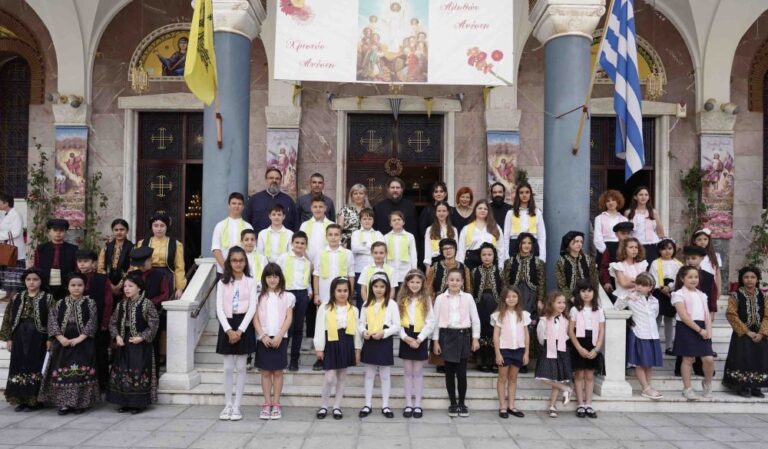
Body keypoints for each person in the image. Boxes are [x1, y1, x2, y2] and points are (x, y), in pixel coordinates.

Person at [38, 273, 100, 415]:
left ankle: (80, 403)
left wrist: (80, 338)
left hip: (83, 343)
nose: (76, 288)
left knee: (81, 373)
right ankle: (64, 404)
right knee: (64, 373)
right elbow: (52, 321)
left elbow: (92, 321)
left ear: (85, 286)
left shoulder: (90, 303)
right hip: (62, 344)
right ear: (67, 287)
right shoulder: (59, 303)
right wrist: (60, 338)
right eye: (73, 285)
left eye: (80, 285)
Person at [106, 272, 159, 414]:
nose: (126, 289)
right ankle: (125, 402)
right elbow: (112, 323)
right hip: (124, 342)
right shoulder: (121, 305)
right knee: (123, 370)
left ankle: (139, 403)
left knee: (138, 369)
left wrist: (142, 337)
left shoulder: (147, 304)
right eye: (125, 286)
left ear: (139, 288)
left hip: (140, 344)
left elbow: (154, 324)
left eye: (130, 286)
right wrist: (117, 336)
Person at [215, 247, 258, 421]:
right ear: (229, 262)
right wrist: (228, 330)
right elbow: (219, 308)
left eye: (241, 260)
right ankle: (227, 404)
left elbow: (252, 307)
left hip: (243, 324)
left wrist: (240, 330)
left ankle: (237, 405)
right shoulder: (222, 282)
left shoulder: (251, 281)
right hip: (227, 323)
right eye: (234, 260)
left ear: (245, 262)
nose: (238, 263)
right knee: (227, 367)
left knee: (241, 367)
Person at [0, 268, 52, 411]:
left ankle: (34, 401)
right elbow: (8, 318)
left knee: (34, 365)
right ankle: (21, 399)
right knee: (19, 365)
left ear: (41, 281)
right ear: (24, 281)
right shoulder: (17, 297)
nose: (31, 282)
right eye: (28, 279)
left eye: (35, 279)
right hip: (19, 336)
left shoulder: (47, 298)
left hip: (38, 336)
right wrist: (9, 338)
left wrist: (50, 338)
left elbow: (52, 320)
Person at [432, 268, 481, 418]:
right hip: (446, 336)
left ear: (462, 282)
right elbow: (435, 321)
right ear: (447, 281)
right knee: (449, 372)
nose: (454, 282)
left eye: (457, 280)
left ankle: (462, 403)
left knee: (461, 373)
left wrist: (475, 338)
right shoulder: (440, 298)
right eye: (452, 280)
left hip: (463, 335)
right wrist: (435, 341)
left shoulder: (468, 298)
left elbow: (475, 319)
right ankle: (453, 403)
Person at [314, 277, 362, 420]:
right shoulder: (325, 307)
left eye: (345, 290)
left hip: (346, 342)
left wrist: (357, 350)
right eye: (339, 290)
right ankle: (324, 405)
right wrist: (319, 347)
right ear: (333, 292)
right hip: (331, 342)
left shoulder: (353, 310)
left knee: (342, 377)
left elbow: (357, 332)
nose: (342, 293)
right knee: (329, 378)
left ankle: (337, 406)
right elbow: (319, 328)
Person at [253, 263, 295, 420]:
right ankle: (267, 403)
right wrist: (263, 336)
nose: (272, 279)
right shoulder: (258, 296)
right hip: (263, 338)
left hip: (280, 338)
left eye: (275, 276)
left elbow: (289, 318)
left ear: (280, 278)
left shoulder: (287, 296)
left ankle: (276, 403)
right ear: (264, 278)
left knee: (278, 372)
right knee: (265, 372)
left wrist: (279, 336)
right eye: (269, 276)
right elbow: (255, 318)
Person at [311, 224, 355, 370]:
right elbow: (316, 274)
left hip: (342, 295)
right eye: (330, 234)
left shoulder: (347, 253)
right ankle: (320, 356)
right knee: (322, 326)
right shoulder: (320, 253)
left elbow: (351, 275)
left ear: (341, 236)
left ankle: (339, 356)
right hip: (325, 294)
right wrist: (316, 293)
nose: (334, 237)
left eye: (336, 234)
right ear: (326, 236)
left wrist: (350, 294)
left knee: (339, 324)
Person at [614, 273, 664, 400]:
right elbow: (617, 307)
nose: (639, 287)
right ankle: (646, 388)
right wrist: (626, 296)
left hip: (652, 335)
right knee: (639, 363)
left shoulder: (655, 301)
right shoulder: (631, 298)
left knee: (649, 363)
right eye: (638, 284)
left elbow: (654, 315)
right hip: (639, 333)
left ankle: (647, 387)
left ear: (650, 287)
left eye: (643, 285)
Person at [358, 273, 401, 419]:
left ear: (387, 288)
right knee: (369, 374)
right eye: (375, 286)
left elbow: (397, 325)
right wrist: (363, 331)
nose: (378, 289)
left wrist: (384, 333)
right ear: (371, 287)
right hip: (370, 339)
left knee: (385, 375)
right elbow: (361, 323)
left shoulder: (392, 304)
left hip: (384, 340)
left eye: (382, 286)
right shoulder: (366, 303)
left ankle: (385, 405)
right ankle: (367, 404)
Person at [502, 233, 545, 373]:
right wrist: (505, 299)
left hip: (531, 298)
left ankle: (524, 361)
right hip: (513, 298)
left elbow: (541, 283)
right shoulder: (510, 262)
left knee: (528, 327)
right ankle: (512, 358)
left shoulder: (538, 262)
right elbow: (505, 283)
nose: (526, 246)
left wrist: (540, 299)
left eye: (529, 243)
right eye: (524, 243)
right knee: (513, 325)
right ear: (519, 244)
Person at [722, 266, 768, 397]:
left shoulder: (763, 295)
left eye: (753, 277)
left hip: (760, 334)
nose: (749, 280)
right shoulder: (735, 295)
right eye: (746, 277)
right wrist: (747, 332)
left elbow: (767, 315)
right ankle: (743, 386)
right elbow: (731, 314)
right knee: (743, 359)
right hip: (742, 334)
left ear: (757, 279)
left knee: (759, 359)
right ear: (741, 279)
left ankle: (756, 386)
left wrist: (762, 333)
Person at [672, 266, 715, 401]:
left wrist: (708, 330)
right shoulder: (678, 294)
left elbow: (707, 314)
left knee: (708, 359)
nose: (693, 279)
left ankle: (707, 383)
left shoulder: (702, 295)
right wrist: (699, 330)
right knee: (688, 359)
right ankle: (687, 388)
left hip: (703, 327)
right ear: (682, 278)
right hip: (686, 327)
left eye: (696, 277)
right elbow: (683, 316)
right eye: (690, 277)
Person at [397, 269, 435, 419]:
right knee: (407, 372)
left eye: (418, 282)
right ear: (407, 283)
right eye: (412, 282)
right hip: (406, 335)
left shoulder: (426, 299)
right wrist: (405, 337)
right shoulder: (401, 299)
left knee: (418, 372)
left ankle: (417, 404)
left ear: (422, 283)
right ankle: (408, 404)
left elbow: (430, 322)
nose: (414, 285)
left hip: (420, 335)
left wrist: (419, 339)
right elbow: (397, 321)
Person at [76, 249, 114, 393]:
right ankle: (82, 383)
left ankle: (102, 384)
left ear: (94, 264)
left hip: (99, 323)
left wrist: (105, 323)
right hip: (78, 324)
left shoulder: (102, 279)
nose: (82, 264)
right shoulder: (73, 279)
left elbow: (108, 302)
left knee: (100, 353)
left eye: (86, 261)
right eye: (80, 261)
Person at [567, 280, 605, 417]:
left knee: (589, 375)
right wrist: (579, 348)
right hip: (579, 343)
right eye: (583, 291)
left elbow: (601, 331)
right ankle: (580, 404)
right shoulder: (575, 309)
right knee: (579, 375)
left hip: (593, 344)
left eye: (589, 291)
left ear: (594, 293)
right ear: (578, 293)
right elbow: (570, 331)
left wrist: (596, 349)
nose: (586, 294)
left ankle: (588, 404)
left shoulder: (599, 310)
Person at [491, 286, 530, 419]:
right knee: (502, 378)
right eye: (508, 297)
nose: (511, 299)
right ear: (504, 299)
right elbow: (496, 336)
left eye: (514, 296)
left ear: (518, 298)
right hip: (504, 350)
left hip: (519, 350)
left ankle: (511, 406)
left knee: (513, 378)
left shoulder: (523, 315)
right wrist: (498, 353)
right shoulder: (499, 315)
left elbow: (526, 335)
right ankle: (502, 406)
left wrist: (526, 353)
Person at [277, 232, 312, 372]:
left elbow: (307, 279)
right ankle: (281, 358)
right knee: (285, 328)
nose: (299, 245)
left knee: (298, 328)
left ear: (306, 245)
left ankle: (294, 360)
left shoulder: (307, 262)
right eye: (297, 242)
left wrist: (309, 292)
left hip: (302, 294)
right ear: (292, 243)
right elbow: (277, 275)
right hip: (287, 293)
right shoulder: (283, 258)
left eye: (302, 243)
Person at [535, 291, 573, 418]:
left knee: (557, 377)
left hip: (561, 349)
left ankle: (552, 406)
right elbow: (540, 337)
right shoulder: (543, 320)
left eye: (563, 302)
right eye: (559, 302)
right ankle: (565, 388)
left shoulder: (566, 320)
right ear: (551, 304)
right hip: (548, 348)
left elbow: (568, 334)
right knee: (542, 376)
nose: (562, 305)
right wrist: (549, 345)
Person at [136, 213, 186, 299]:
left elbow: (179, 267)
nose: (159, 229)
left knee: (165, 302)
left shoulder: (176, 244)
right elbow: (137, 264)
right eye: (156, 225)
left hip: (167, 277)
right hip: (148, 275)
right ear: (151, 227)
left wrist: (180, 288)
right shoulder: (143, 243)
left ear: (167, 227)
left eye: (162, 226)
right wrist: (135, 281)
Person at [471, 243, 503, 372]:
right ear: (480, 256)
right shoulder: (475, 271)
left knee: (494, 330)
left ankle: (495, 361)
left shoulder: (500, 271)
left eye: (489, 254)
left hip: (496, 305)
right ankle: (482, 361)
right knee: (482, 330)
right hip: (480, 305)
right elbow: (471, 289)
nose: (487, 257)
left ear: (494, 256)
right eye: (484, 255)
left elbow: (504, 289)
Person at [649, 238, 682, 355]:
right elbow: (653, 277)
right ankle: (654, 345)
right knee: (657, 318)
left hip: (672, 292)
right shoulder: (655, 263)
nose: (667, 251)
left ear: (674, 249)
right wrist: (662, 288)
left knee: (669, 319)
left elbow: (679, 278)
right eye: (663, 249)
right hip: (658, 291)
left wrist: (670, 288)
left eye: (670, 248)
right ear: (659, 250)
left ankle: (669, 346)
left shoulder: (678, 264)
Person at [33, 218, 78, 300]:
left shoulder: (73, 249)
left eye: (61, 230)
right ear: (49, 232)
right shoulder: (41, 248)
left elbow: (76, 268)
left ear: (65, 232)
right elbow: (36, 267)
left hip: (66, 284)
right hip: (45, 283)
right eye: (55, 230)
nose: (58, 233)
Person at [245, 168, 298, 233]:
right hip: (259, 238)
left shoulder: (288, 201)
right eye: (271, 178)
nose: (274, 180)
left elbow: (295, 223)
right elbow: (246, 221)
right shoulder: (254, 200)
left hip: (283, 238)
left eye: (277, 178)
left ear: (281, 181)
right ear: (266, 179)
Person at [503, 182, 546, 261]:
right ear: (518, 195)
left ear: (530, 194)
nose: (524, 195)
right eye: (521, 192)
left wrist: (542, 257)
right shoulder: (510, 213)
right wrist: (506, 256)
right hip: (515, 244)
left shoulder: (537, 212)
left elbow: (542, 236)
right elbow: (506, 236)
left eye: (527, 192)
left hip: (532, 245)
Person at [211, 193, 253, 273]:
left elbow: (251, 249)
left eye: (239, 204)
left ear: (243, 207)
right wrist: (226, 268)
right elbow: (216, 249)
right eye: (234, 203)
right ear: (229, 205)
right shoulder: (220, 226)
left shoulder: (248, 227)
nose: (237, 206)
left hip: (243, 271)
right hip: (223, 271)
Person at [457, 200, 504, 270]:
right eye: (480, 208)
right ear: (475, 210)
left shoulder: (495, 227)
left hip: (491, 265)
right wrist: (460, 268)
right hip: (471, 265)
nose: (483, 210)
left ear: (488, 212)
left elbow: (501, 249)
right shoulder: (466, 229)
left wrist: (500, 268)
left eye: (485, 209)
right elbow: (461, 251)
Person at [351, 208, 385, 302]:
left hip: (376, 269)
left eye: (370, 219)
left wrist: (364, 247)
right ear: (360, 220)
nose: (367, 221)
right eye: (364, 219)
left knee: (376, 296)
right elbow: (355, 249)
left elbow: (382, 249)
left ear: (373, 220)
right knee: (361, 297)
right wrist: (373, 249)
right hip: (359, 269)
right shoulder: (356, 233)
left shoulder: (378, 234)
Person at [554, 231, 599, 302]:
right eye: (576, 241)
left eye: (581, 242)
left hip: (587, 297)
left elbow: (594, 280)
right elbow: (561, 284)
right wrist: (572, 298)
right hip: (569, 299)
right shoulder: (561, 262)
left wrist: (592, 297)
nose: (579, 244)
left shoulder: (588, 259)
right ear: (568, 243)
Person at [625, 186, 664, 265]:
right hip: (636, 247)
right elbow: (625, 233)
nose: (643, 197)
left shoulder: (653, 212)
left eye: (646, 195)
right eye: (641, 195)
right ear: (635, 197)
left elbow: (660, 232)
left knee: (652, 269)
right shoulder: (628, 212)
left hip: (652, 246)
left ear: (648, 197)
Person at [598, 221, 634, 302]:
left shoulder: (636, 247)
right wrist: (607, 282)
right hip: (614, 283)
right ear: (616, 234)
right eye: (623, 233)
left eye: (628, 233)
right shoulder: (610, 247)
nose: (626, 236)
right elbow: (604, 266)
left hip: (632, 284)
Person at [98, 219, 134, 296]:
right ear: (113, 231)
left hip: (127, 284)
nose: (119, 232)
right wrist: (111, 285)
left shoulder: (132, 248)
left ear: (127, 231)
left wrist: (119, 286)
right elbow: (100, 268)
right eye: (116, 230)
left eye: (122, 229)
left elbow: (132, 268)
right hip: (108, 283)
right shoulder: (106, 247)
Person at [691, 228, 722, 313]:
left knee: (710, 308)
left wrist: (719, 289)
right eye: (699, 239)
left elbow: (718, 274)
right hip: (696, 284)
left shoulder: (715, 256)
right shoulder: (692, 256)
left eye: (705, 239)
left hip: (711, 285)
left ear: (709, 240)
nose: (702, 242)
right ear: (694, 241)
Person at [592, 190, 628, 263]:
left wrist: (622, 250)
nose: (611, 203)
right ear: (604, 203)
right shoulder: (599, 218)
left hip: (620, 249)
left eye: (613, 200)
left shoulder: (624, 219)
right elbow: (597, 237)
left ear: (618, 201)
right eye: (608, 201)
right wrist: (605, 251)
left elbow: (626, 238)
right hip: (604, 249)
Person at [0, 193, 26, 293]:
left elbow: (16, 232)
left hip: (14, 250)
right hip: (6, 249)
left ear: (6, 203)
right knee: (6, 275)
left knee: (13, 275)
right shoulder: (5, 214)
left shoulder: (16, 214)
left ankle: (13, 295)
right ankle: (7, 295)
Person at [609, 237, 648, 301]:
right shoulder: (618, 266)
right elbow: (624, 284)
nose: (634, 250)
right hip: (624, 299)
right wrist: (640, 283)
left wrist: (629, 279)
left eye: (636, 247)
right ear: (624, 249)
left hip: (640, 298)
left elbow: (646, 282)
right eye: (631, 247)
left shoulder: (642, 264)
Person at [384, 211, 418, 286]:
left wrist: (414, 271)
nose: (397, 221)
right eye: (394, 220)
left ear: (403, 222)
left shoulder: (410, 236)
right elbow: (384, 256)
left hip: (405, 272)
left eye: (399, 219)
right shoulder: (386, 237)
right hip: (391, 272)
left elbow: (413, 255)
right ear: (390, 224)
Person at [300, 196, 334, 262]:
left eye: (320, 207)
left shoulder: (331, 225)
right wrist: (307, 262)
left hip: (327, 262)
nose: (318, 209)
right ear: (311, 208)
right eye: (315, 207)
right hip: (308, 262)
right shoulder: (304, 225)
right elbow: (301, 245)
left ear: (325, 208)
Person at [423, 201, 457, 266]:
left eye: (444, 211)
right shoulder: (429, 229)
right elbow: (427, 250)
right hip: (435, 261)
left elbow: (456, 249)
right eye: (439, 211)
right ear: (435, 213)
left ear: (448, 212)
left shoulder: (454, 229)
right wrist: (428, 266)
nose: (441, 213)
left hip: (450, 261)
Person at [338, 183, 371, 248]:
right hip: (347, 242)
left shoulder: (369, 210)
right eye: (355, 193)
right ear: (351, 196)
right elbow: (339, 228)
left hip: (365, 241)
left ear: (365, 196)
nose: (358, 196)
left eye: (361, 193)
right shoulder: (344, 210)